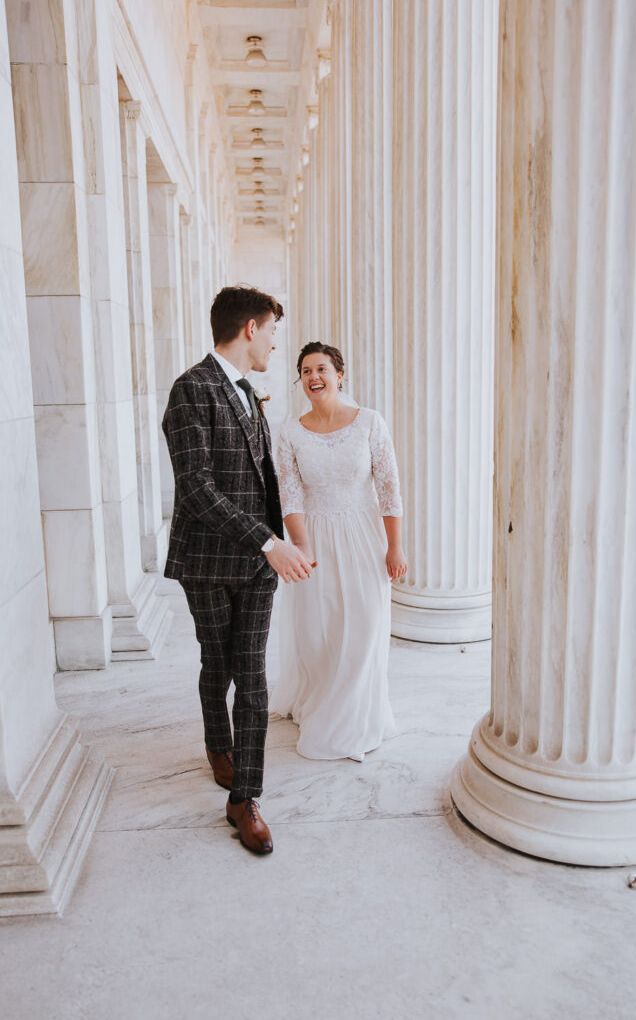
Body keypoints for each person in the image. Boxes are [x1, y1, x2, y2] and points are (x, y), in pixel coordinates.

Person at [162, 286, 315, 855]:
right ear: (250, 328)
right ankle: (216, 745)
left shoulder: (251, 394)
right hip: (206, 561)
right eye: (273, 330)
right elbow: (197, 488)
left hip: (258, 565)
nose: (277, 340)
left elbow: (265, 479)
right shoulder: (190, 390)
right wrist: (267, 541)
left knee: (251, 676)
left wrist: (286, 542)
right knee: (218, 662)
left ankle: (244, 797)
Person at [270, 342, 407, 761]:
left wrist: (396, 546)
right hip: (314, 539)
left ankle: (356, 715)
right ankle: (325, 702)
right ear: (300, 380)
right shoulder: (290, 432)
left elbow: (389, 487)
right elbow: (289, 497)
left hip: (365, 538)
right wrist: (302, 548)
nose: (314, 377)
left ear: (339, 374)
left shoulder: (369, 423)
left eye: (322, 369)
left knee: (365, 624)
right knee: (321, 630)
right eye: (306, 371)